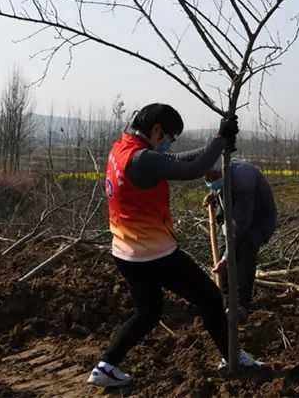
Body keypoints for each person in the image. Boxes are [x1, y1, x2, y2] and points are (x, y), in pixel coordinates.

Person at [87, 103, 263, 388]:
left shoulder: (121, 150)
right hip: (154, 254)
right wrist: (221, 139)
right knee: (207, 296)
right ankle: (232, 358)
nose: (169, 145)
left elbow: (179, 160)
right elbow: (193, 168)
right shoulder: (144, 159)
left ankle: (105, 366)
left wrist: (216, 147)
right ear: (157, 130)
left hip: (124, 252)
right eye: (169, 138)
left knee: (148, 312)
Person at [202, 158, 277, 324]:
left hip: (257, 221)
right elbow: (221, 186)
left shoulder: (244, 180)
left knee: (243, 254)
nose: (210, 181)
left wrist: (226, 258)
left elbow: (239, 227)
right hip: (233, 215)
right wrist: (214, 195)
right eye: (207, 179)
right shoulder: (220, 172)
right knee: (222, 257)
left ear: (223, 172)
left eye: (212, 178)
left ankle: (240, 307)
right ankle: (225, 304)